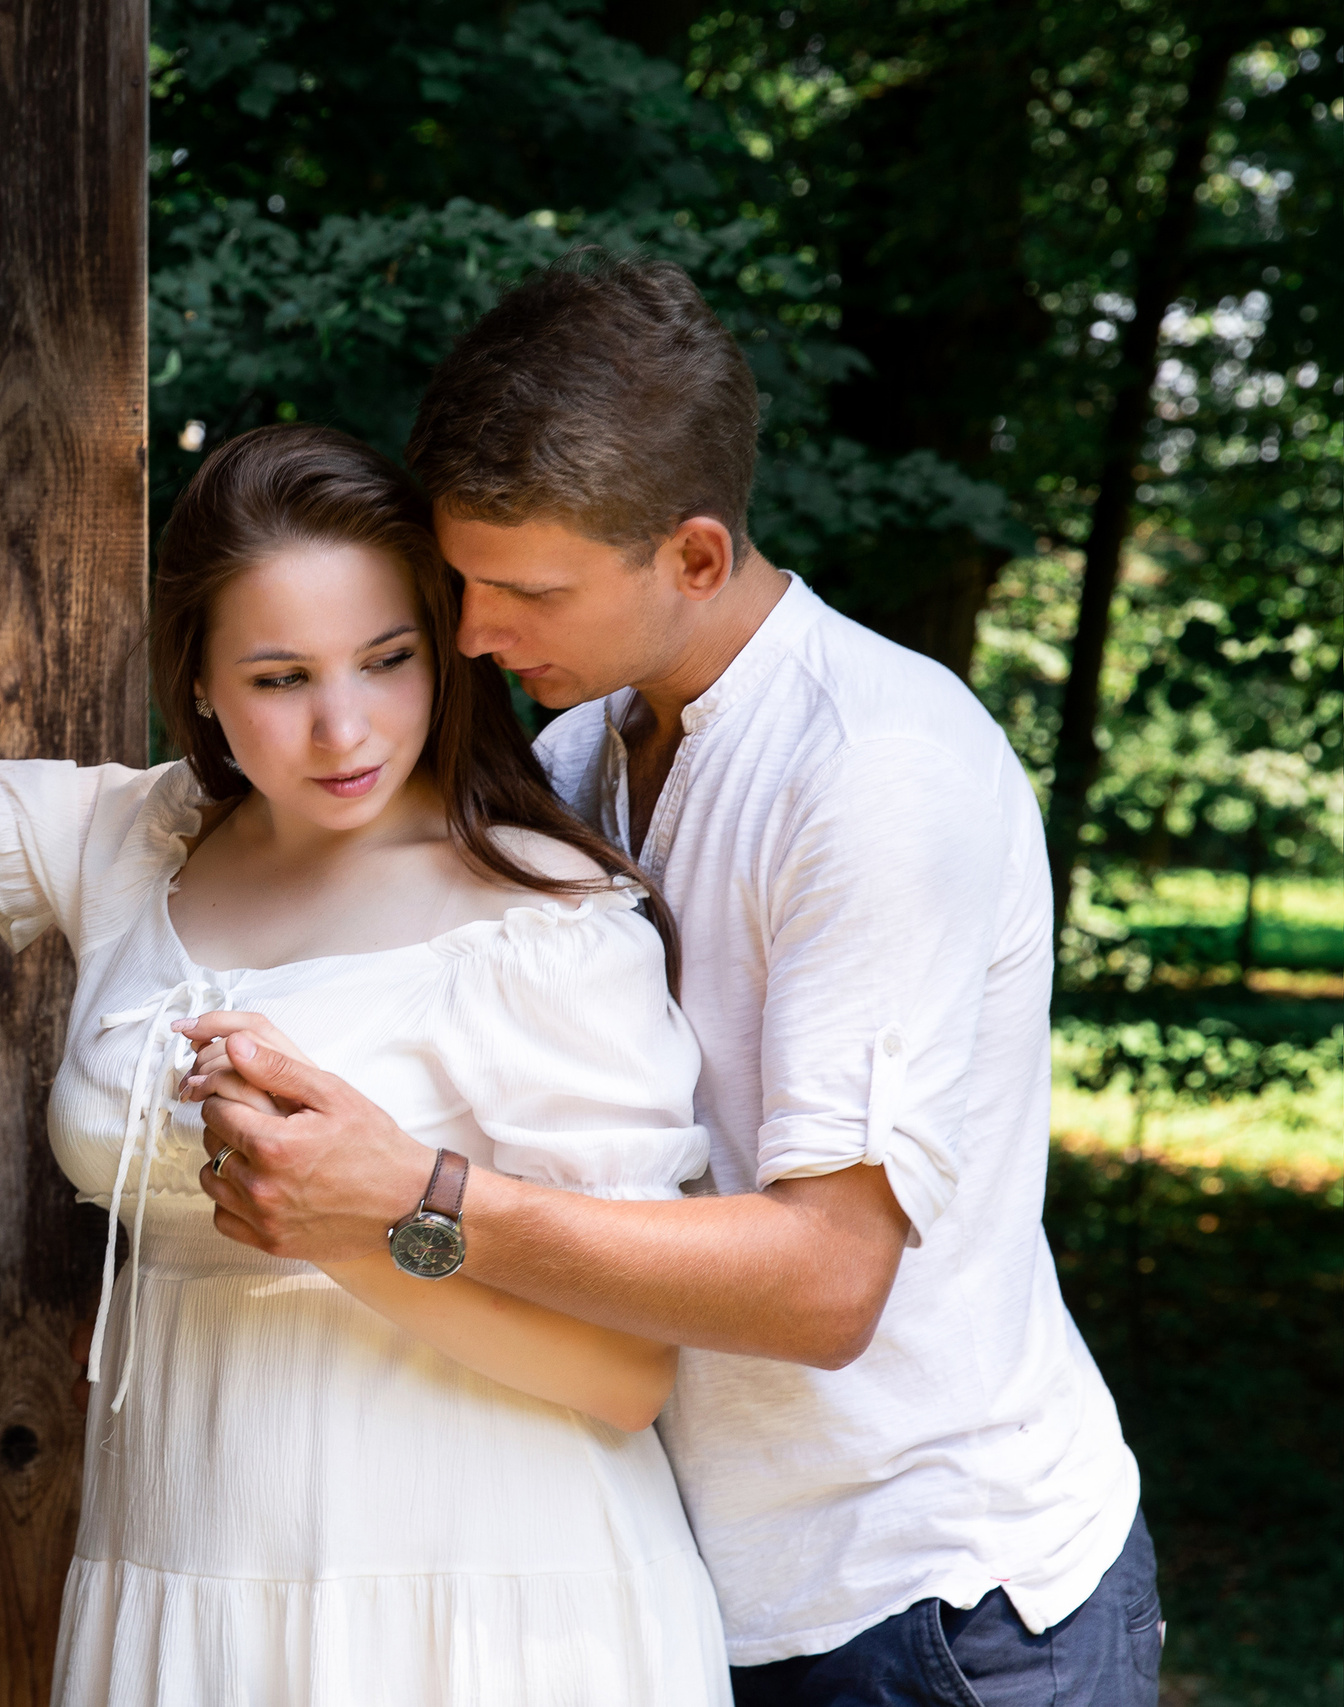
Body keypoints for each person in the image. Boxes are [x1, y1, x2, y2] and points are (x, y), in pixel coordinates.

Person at [0, 246, 731, 1705]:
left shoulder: (547, 924)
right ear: (199, 682)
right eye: (280, 680)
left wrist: (349, 1225)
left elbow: (627, 1376)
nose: (345, 726)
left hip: (490, 1609)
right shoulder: (138, 839)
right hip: (187, 1583)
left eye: (386, 660)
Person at [184, 255, 1159, 1706]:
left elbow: (830, 1284)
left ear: (695, 558)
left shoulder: (877, 775)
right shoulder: (578, 756)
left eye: (525, 590)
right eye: (460, 579)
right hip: (694, 1591)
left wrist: (412, 1201)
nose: (470, 636)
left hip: (942, 1613)